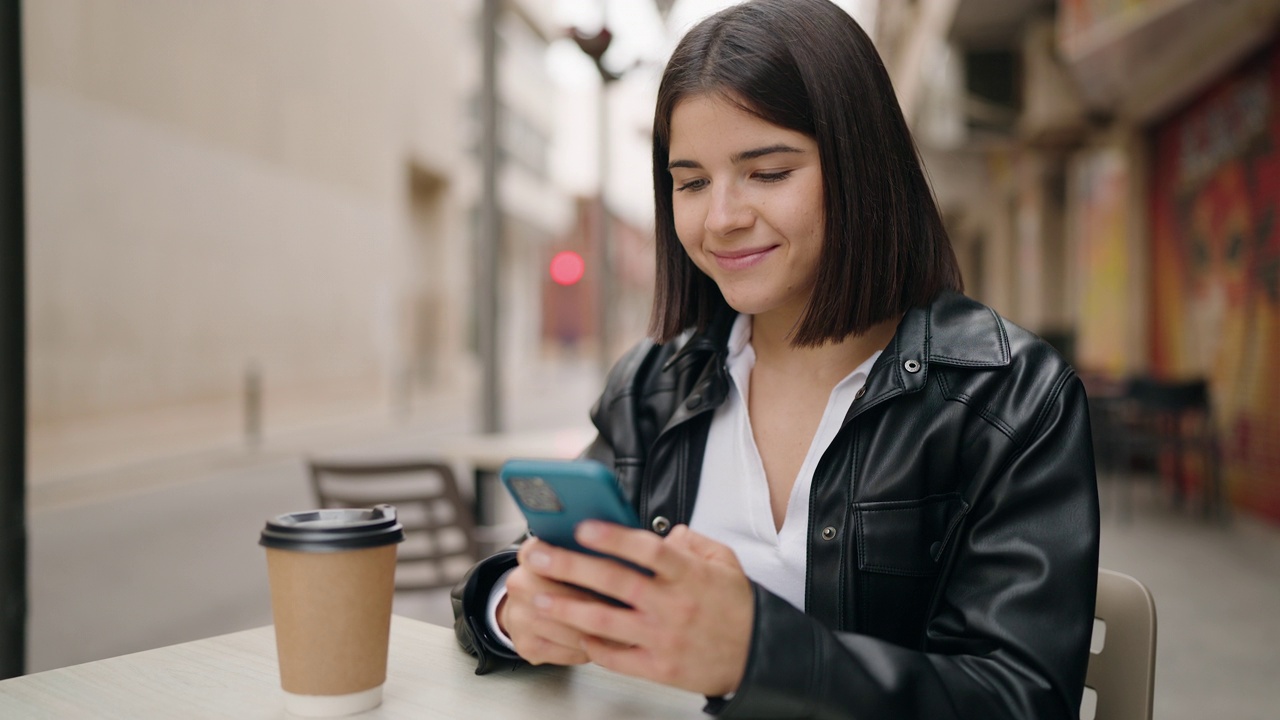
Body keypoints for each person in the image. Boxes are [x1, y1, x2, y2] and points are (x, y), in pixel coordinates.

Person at [452, 1, 1100, 717]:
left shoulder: (1010, 398)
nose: (721, 216)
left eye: (766, 173)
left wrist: (758, 653)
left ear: (861, 166)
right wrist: (510, 606)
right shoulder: (657, 385)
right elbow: (533, 566)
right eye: (691, 182)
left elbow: (1022, 699)